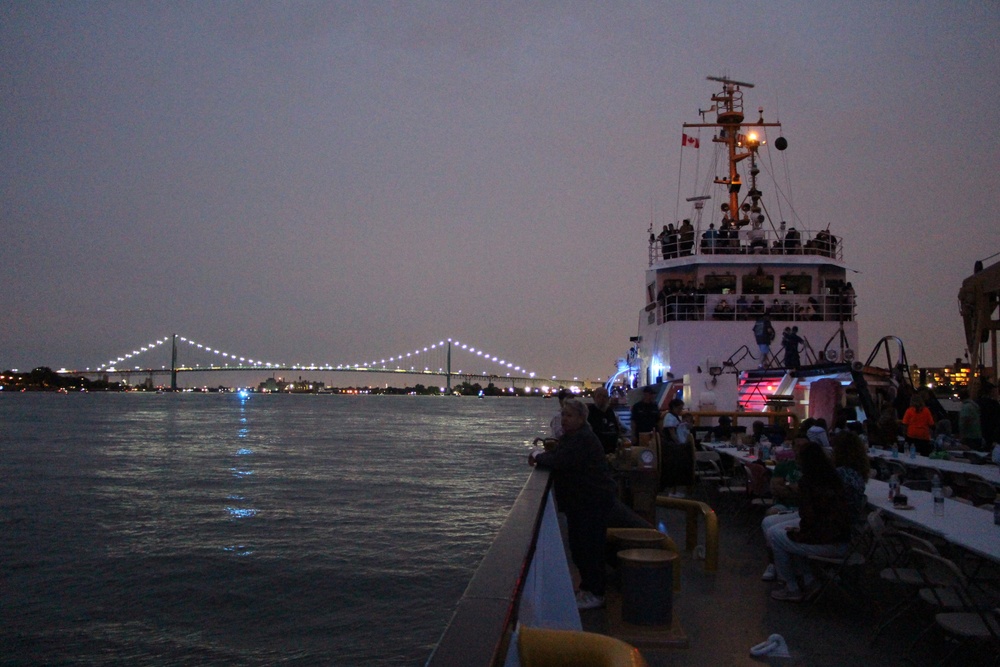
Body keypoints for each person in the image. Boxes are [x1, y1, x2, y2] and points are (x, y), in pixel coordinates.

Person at [529, 398, 618, 610]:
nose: (564, 419)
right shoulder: (575, 437)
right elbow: (559, 455)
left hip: (591, 502)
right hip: (584, 502)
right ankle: (588, 589)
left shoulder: (582, 439)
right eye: (563, 415)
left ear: (581, 418)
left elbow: (559, 460)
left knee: (589, 548)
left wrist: (536, 455)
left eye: (569, 415)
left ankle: (596, 593)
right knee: (580, 546)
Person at [767, 441, 852, 602]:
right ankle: (807, 580)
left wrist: (799, 531)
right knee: (789, 538)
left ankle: (791, 586)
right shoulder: (833, 478)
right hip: (842, 538)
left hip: (826, 541)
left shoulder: (809, 483)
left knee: (776, 536)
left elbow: (809, 517)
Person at [588, 387, 623, 456]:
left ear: (608, 398)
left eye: (604, 396)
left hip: (611, 452)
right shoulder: (589, 412)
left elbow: (616, 429)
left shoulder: (610, 412)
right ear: (594, 398)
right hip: (595, 451)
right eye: (599, 396)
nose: (602, 399)